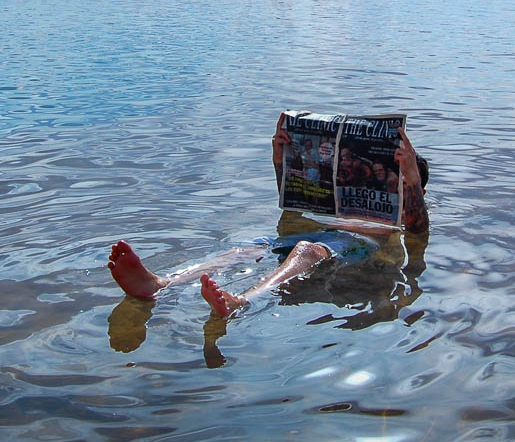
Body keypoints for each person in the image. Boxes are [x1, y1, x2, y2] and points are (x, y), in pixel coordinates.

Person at [106, 115, 429, 323]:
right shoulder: (340, 204)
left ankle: (243, 301)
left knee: (306, 249)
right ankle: (164, 282)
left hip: (355, 245)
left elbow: (417, 230)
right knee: (245, 249)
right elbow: (290, 207)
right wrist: (281, 157)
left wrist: (411, 178)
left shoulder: (403, 213)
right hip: (321, 234)